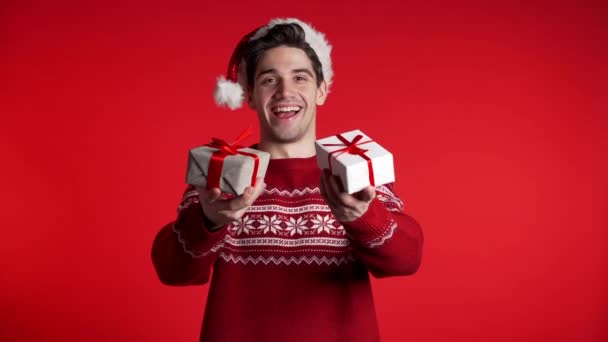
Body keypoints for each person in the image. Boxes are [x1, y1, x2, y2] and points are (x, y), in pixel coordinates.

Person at [151, 18, 424, 342]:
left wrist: (363, 217)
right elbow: (173, 271)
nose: (285, 92)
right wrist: (208, 220)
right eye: (269, 79)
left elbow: (407, 259)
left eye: (300, 78)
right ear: (250, 94)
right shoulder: (220, 176)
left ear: (321, 90)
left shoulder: (356, 173)